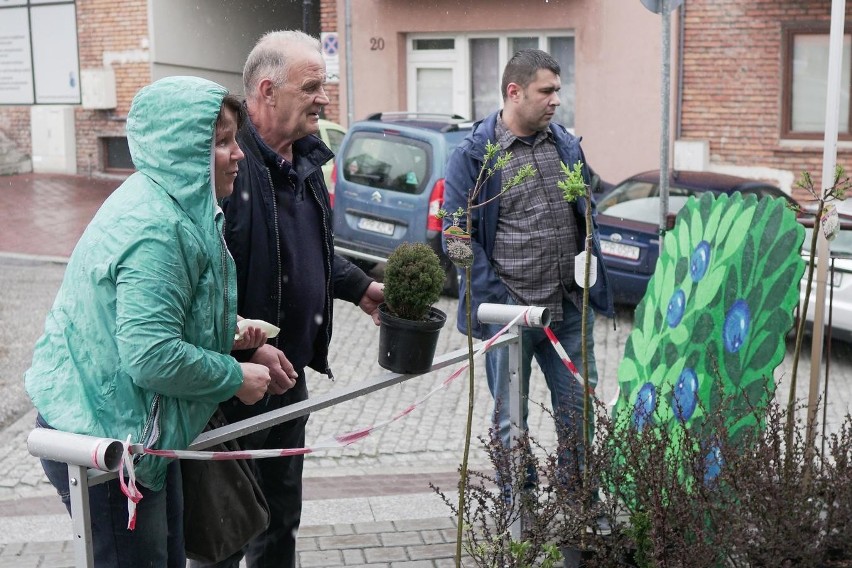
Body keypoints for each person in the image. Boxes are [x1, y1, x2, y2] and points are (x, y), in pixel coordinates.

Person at [25, 76, 282, 567]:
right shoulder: (157, 230)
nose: (239, 154)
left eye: (235, 139)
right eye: (222, 142)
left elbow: (155, 320)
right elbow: (149, 355)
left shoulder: (174, 204)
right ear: (183, 151)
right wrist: (233, 377)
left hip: (134, 437)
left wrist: (227, 334)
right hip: (105, 444)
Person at [195, 30, 384, 568]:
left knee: (280, 524)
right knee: (225, 531)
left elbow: (313, 253)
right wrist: (240, 352)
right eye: (313, 87)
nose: (324, 98)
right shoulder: (227, 169)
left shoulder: (304, 163)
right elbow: (202, 287)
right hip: (232, 390)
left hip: (288, 380)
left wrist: (362, 287)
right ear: (268, 90)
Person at [442, 49, 614, 486]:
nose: (557, 99)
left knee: (579, 415)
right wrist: (497, 305)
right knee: (510, 422)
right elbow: (456, 237)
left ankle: (581, 509)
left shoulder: (565, 145)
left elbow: (586, 211)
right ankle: (518, 511)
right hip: (511, 318)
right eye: (547, 91)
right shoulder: (476, 156)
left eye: (558, 90)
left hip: (568, 311)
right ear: (514, 92)